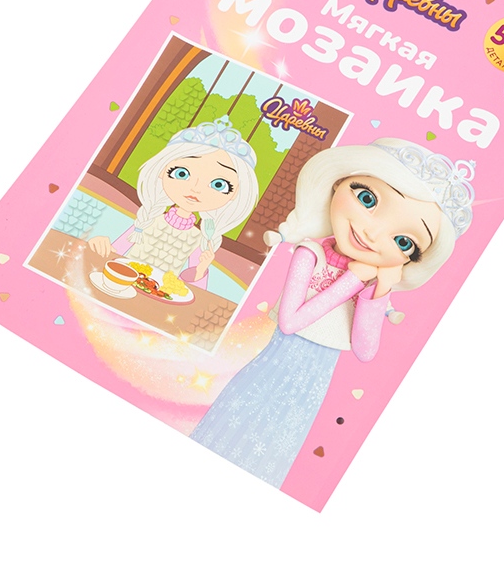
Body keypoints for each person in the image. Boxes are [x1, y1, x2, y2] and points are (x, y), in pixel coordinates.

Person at [190, 137, 474, 486]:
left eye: (404, 242)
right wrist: (353, 279)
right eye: (367, 199)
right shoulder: (310, 254)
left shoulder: (370, 283)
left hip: (309, 393)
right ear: (338, 184)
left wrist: (379, 290)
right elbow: (290, 322)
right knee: (229, 438)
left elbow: (365, 350)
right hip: (269, 375)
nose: (372, 233)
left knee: (269, 462)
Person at [88, 116, 258, 288]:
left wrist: (201, 270)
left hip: (160, 294)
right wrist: (100, 245)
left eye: (218, 185)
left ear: (234, 193)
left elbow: (193, 288)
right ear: (163, 170)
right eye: (182, 173)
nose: (196, 189)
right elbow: (115, 254)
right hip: (123, 283)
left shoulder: (198, 238)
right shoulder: (148, 219)